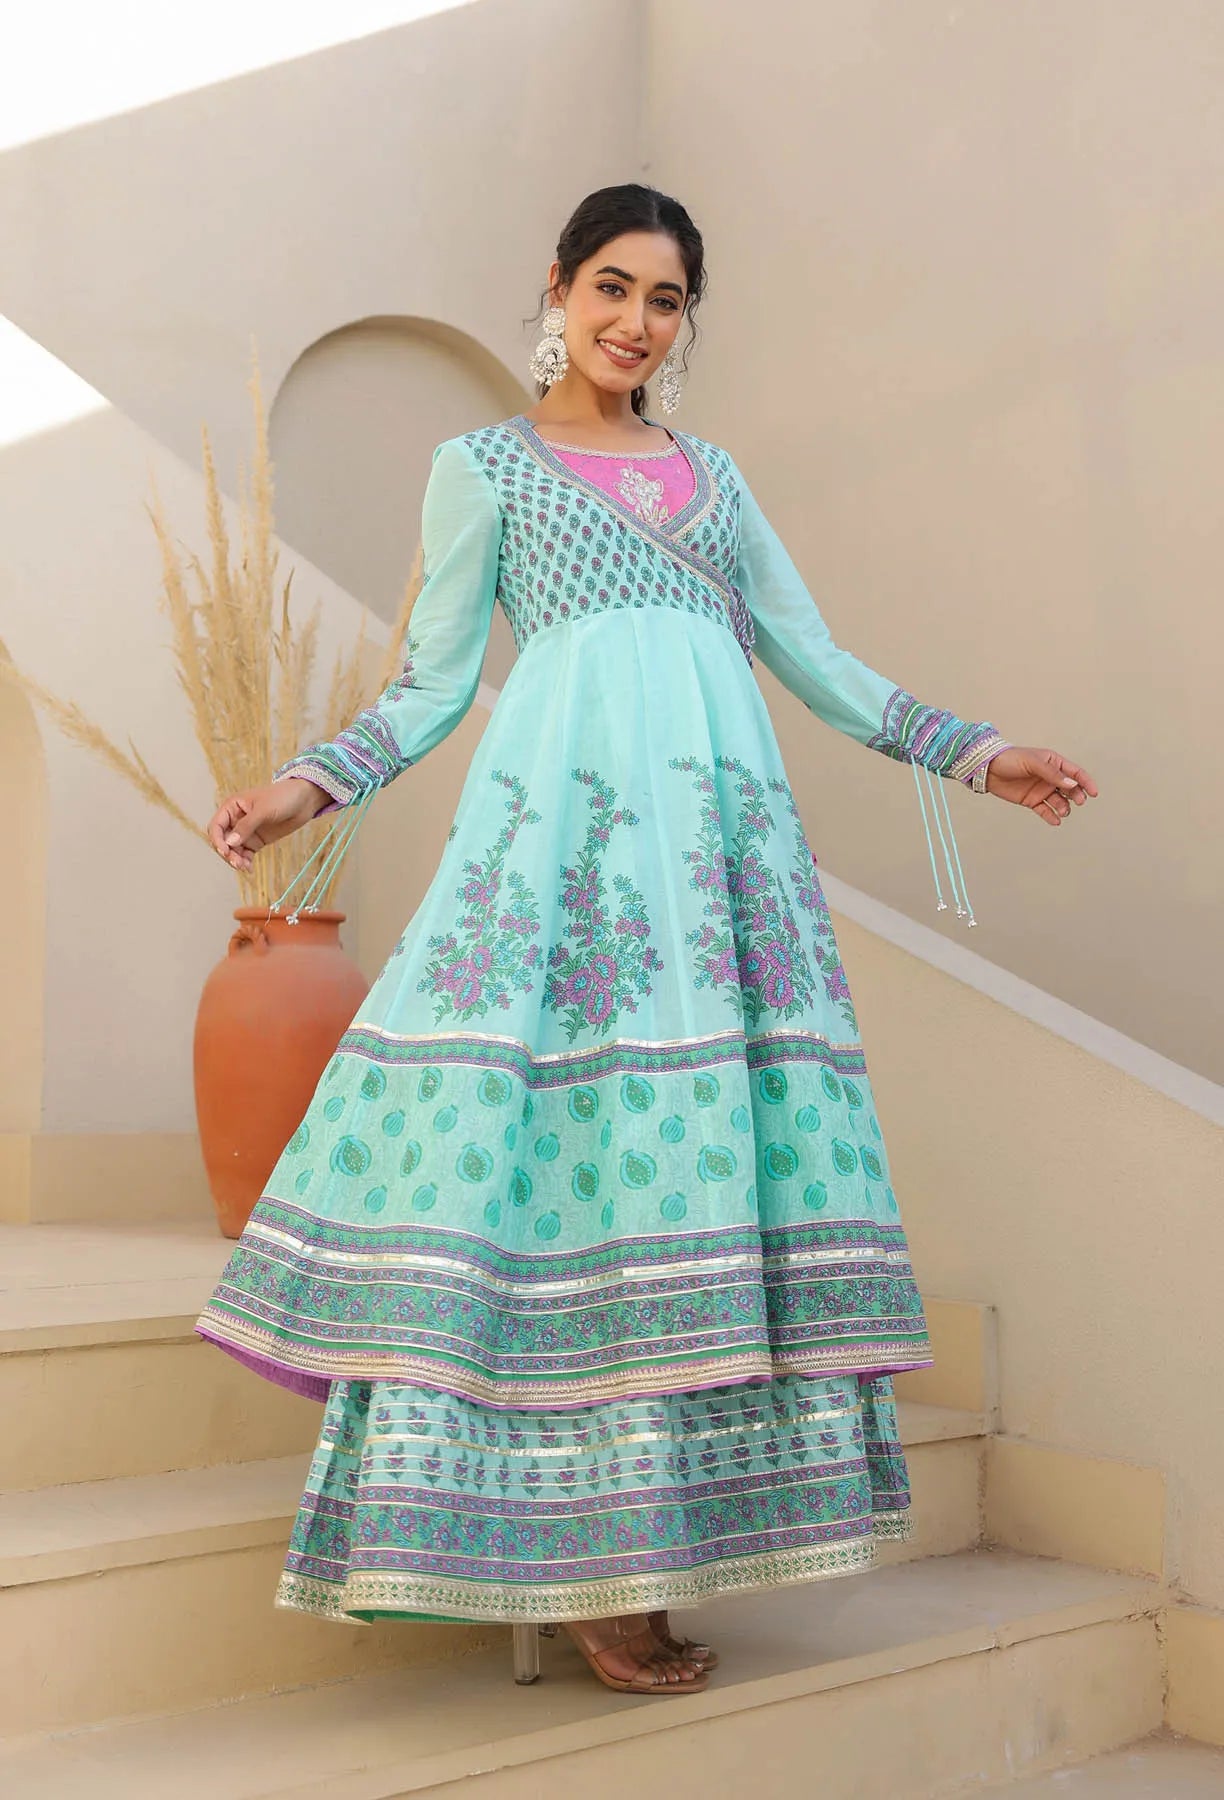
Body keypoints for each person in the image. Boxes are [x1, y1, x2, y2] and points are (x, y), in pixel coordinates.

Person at [198, 183, 1097, 1697]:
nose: (634, 322)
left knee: (700, 1193)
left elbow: (818, 662)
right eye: (611, 288)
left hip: (722, 871)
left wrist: (975, 753)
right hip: (562, 865)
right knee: (566, 1190)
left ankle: (667, 1542)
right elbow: (429, 684)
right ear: (555, 289)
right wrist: (304, 786)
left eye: (666, 300)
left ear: (685, 321)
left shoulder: (716, 482)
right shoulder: (481, 467)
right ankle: (579, 1564)